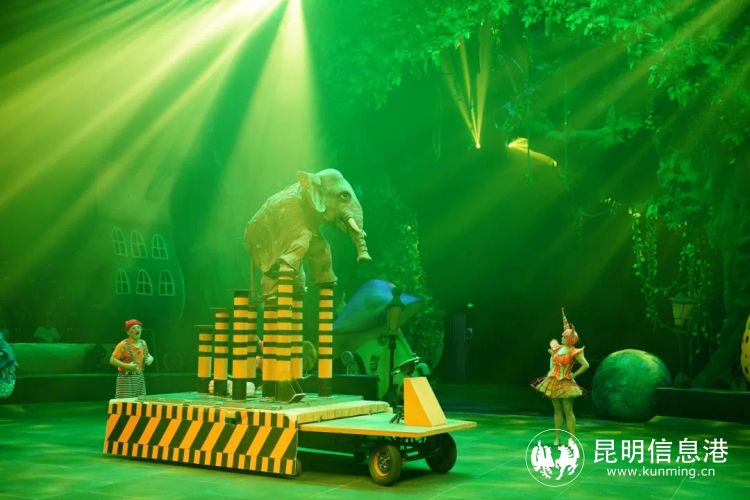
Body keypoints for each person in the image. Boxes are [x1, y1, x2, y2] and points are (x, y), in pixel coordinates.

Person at [531, 308, 590, 446]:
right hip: (554, 380)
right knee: (557, 410)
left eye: (564, 336)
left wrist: (574, 374)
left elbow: (586, 365)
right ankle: (557, 437)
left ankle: (572, 438)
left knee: (568, 410)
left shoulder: (574, 351)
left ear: (569, 339)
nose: (561, 337)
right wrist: (551, 371)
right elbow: (552, 360)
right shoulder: (558, 349)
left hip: (566, 382)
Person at [110, 319, 154, 398]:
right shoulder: (123, 345)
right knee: (125, 402)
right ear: (128, 332)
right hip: (126, 378)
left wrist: (151, 358)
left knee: (139, 401)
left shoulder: (143, 343)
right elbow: (112, 360)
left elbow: (148, 355)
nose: (137, 330)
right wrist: (127, 366)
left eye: (139, 328)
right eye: (133, 328)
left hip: (139, 377)